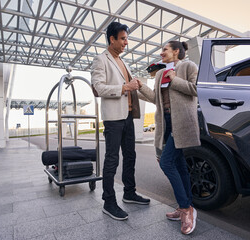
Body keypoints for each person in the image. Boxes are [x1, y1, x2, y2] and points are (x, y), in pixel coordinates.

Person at [137, 41, 200, 234]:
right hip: (166, 122)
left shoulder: (188, 66)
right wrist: (140, 87)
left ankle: (186, 208)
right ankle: (186, 205)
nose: (161, 52)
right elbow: (156, 99)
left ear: (176, 51)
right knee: (179, 164)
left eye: (165, 49)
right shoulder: (160, 73)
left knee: (166, 163)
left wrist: (174, 79)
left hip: (182, 122)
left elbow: (196, 89)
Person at [91, 22, 150, 221]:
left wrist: (135, 86)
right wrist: (125, 87)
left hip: (127, 117)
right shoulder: (101, 59)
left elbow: (129, 86)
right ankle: (108, 202)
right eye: (123, 38)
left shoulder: (123, 62)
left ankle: (129, 192)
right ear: (112, 39)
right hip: (114, 119)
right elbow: (99, 88)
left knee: (130, 156)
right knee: (112, 160)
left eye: (126, 38)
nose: (126, 42)